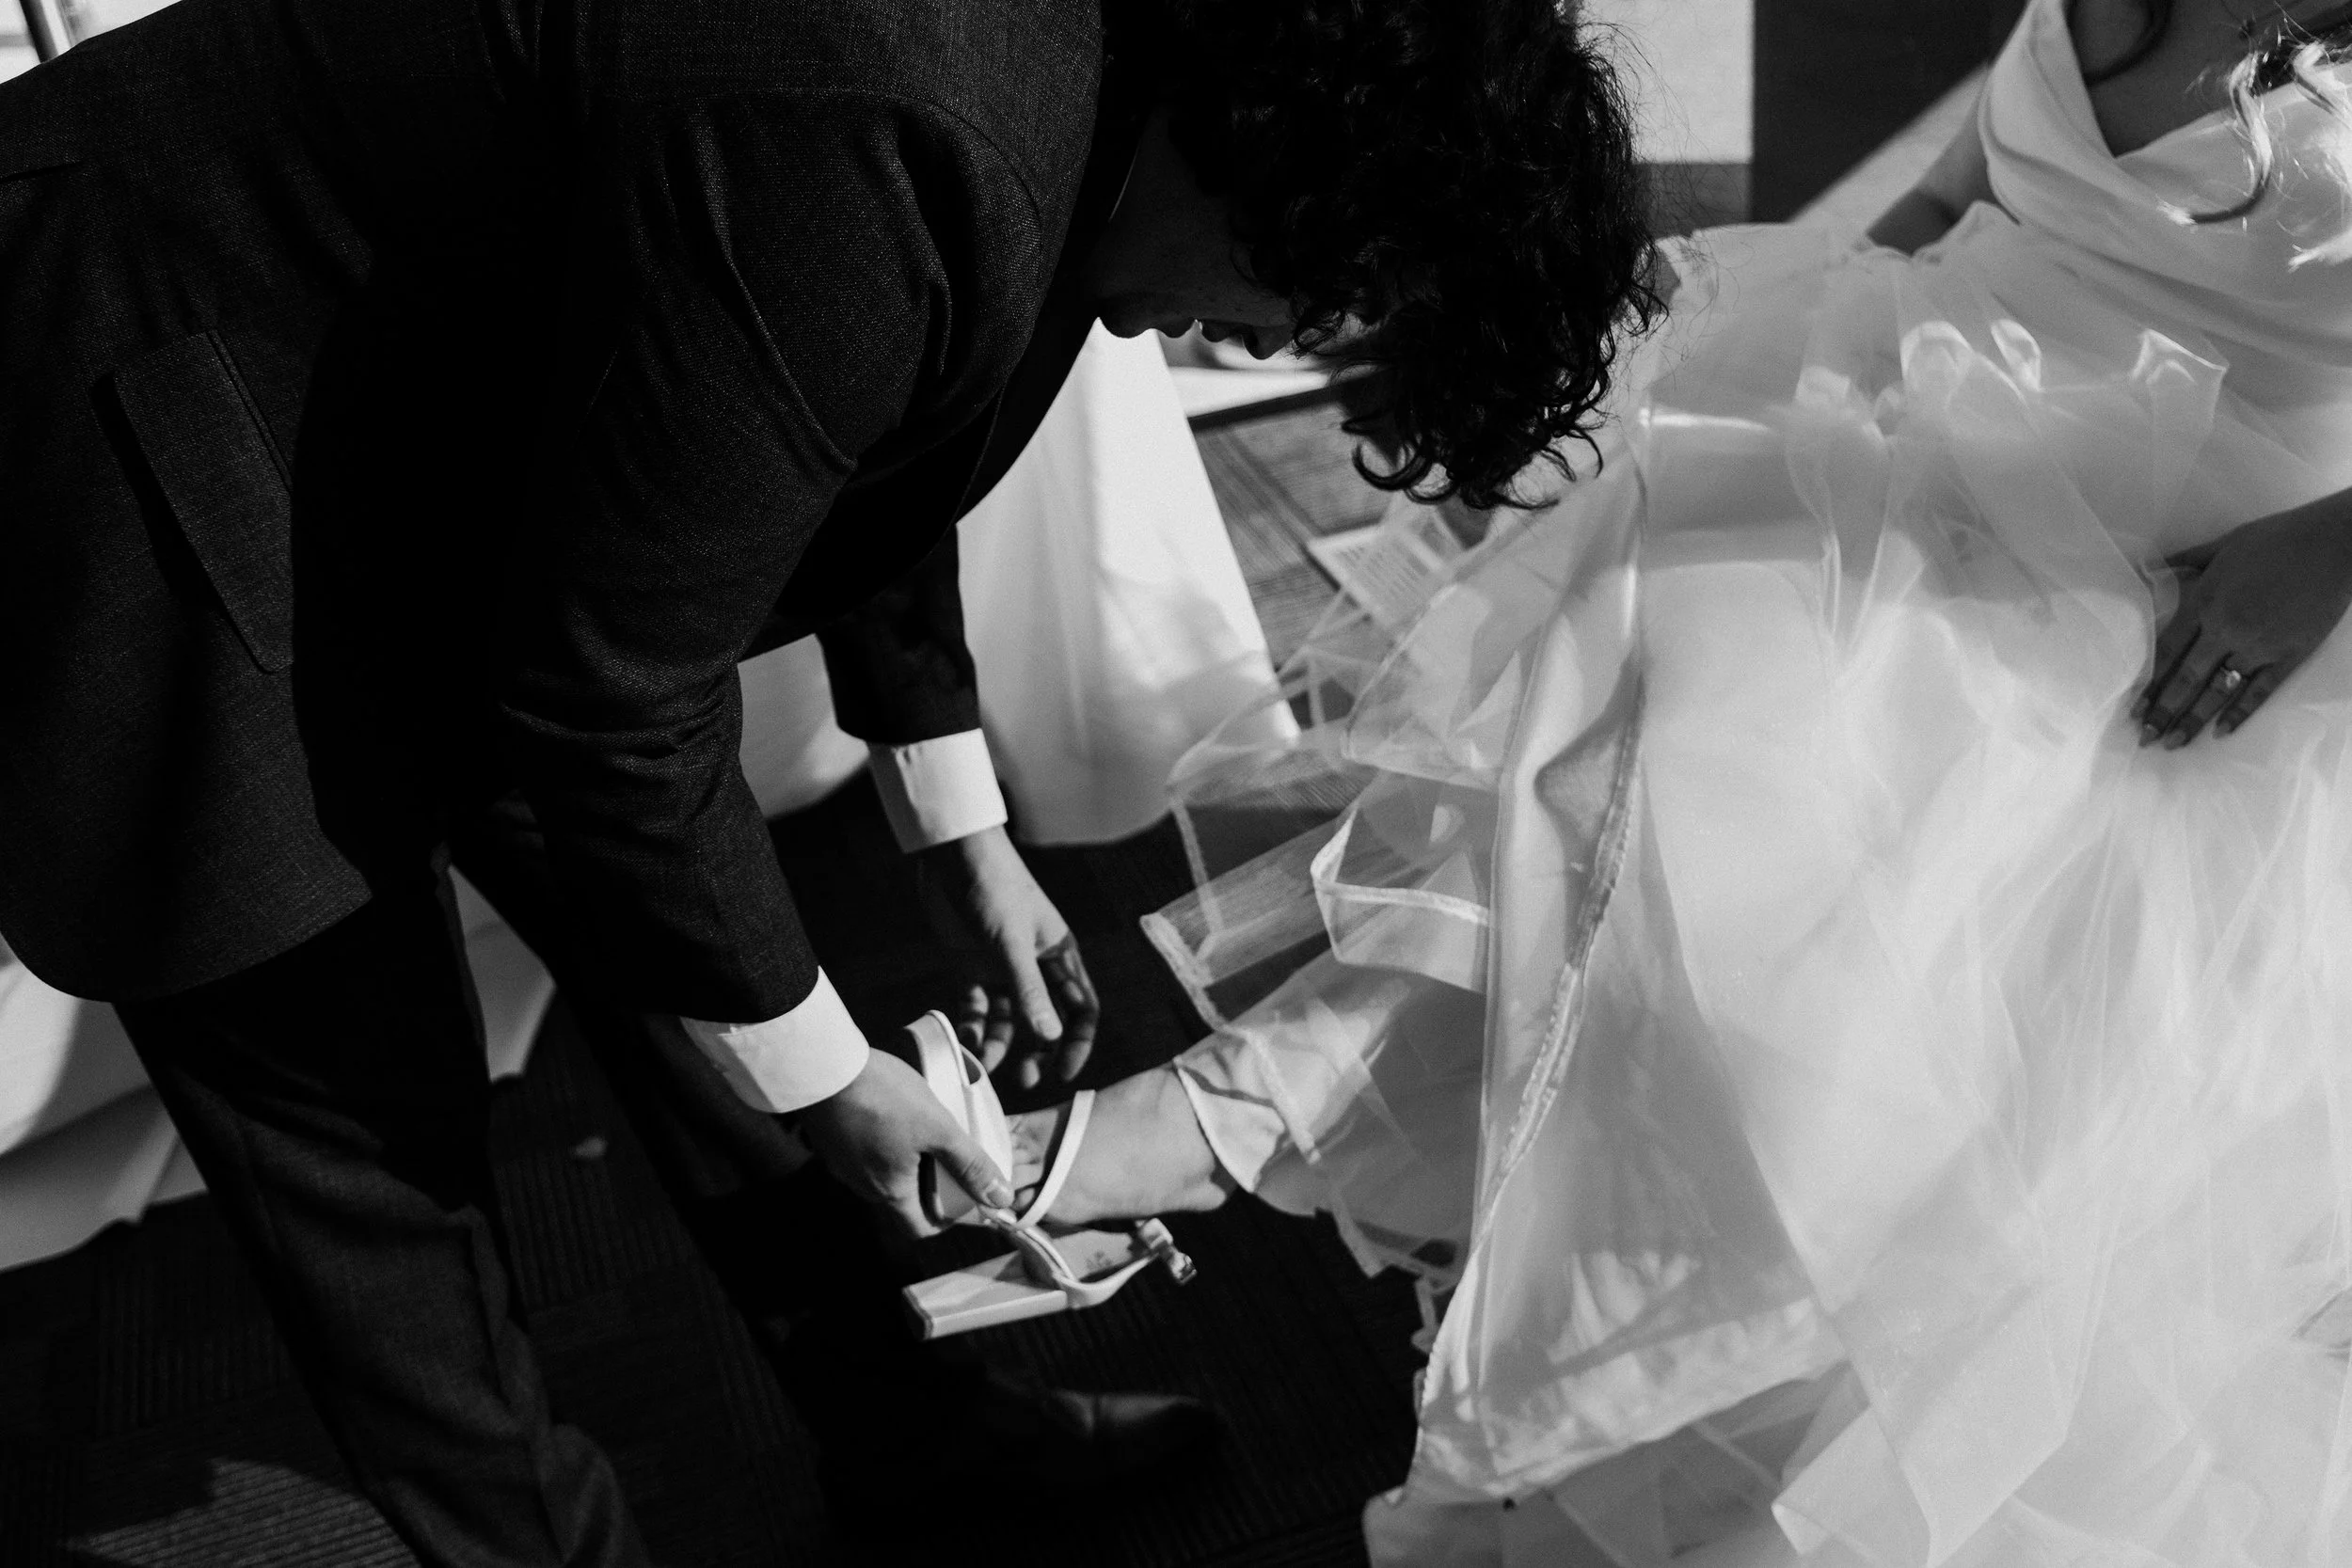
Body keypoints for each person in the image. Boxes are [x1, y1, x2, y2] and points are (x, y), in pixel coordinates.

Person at [0, 0, 1657, 1561]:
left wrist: (962, 826)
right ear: (1300, 174)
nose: (1276, 341)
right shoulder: (909, 120)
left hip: (446, 446)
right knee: (377, 1163)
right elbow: (615, 693)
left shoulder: (1121, 95)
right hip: (131, 398)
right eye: (1325, 299)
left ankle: (916, 1441)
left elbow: (877, 422)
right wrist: (818, 1066)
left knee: (701, 966)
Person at [971, 0, 2352, 1561]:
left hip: (2221, 558)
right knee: (1641, 735)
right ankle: (1265, 1128)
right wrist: (1774, 346)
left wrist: (2331, 550)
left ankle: (1263, 1147)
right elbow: (1985, 187)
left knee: (1870, 984)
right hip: (1941, 423)